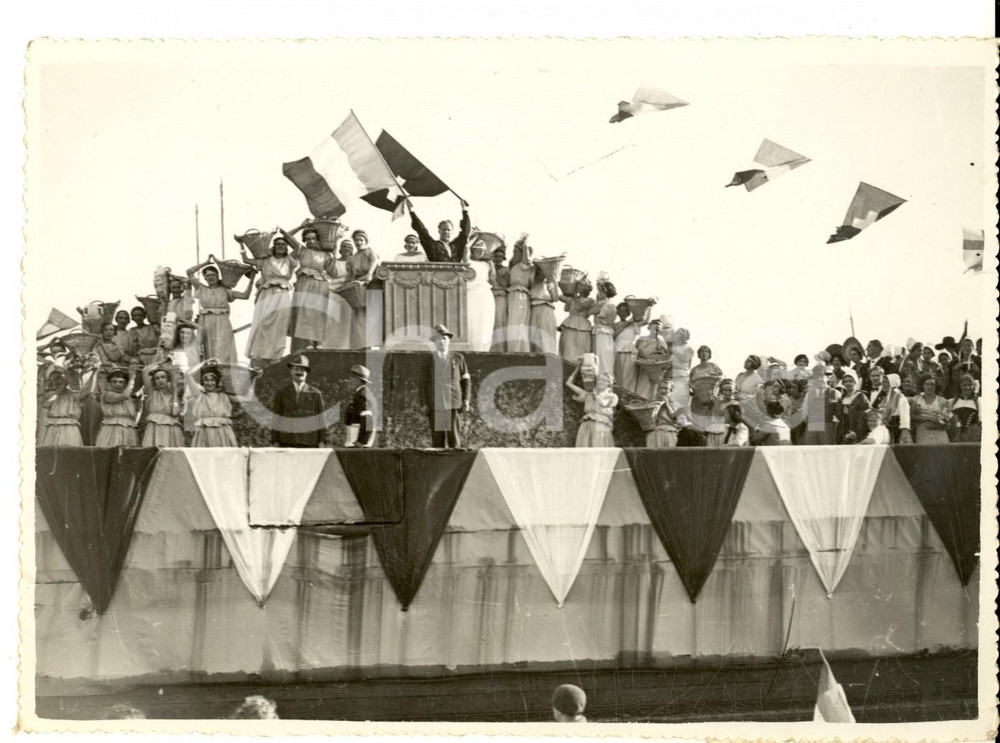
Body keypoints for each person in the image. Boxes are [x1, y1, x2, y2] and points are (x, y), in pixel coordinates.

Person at [241, 231, 298, 367]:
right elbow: (246, 260)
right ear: (273, 246)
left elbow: (298, 247)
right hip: (266, 294)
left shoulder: (289, 259)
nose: (280, 246)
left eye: (283, 244)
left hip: (282, 294)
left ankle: (276, 356)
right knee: (263, 323)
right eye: (277, 244)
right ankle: (259, 354)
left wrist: (285, 232)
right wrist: (241, 243)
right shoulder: (265, 260)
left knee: (279, 325)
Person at [186, 258, 253, 367]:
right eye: (207, 275)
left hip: (222, 321)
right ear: (205, 278)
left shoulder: (225, 290)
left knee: (223, 347)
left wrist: (252, 279)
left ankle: (225, 370)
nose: (210, 277)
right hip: (206, 321)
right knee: (208, 347)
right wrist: (206, 262)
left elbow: (245, 296)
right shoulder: (202, 288)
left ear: (218, 277)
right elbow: (189, 272)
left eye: (213, 275)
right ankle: (211, 371)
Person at [284, 225, 335, 352]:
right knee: (303, 313)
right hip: (304, 284)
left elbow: (333, 270)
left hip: (321, 285)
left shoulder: (326, 254)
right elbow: (286, 236)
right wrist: (302, 226)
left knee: (318, 313)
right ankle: (303, 345)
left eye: (313, 238)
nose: (311, 241)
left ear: (318, 239)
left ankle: (318, 343)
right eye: (307, 239)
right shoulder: (301, 250)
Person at [185, 360, 256, 448]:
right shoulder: (199, 395)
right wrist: (205, 362)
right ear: (203, 382)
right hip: (205, 432)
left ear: (216, 382)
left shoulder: (224, 396)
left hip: (223, 433)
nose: (209, 383)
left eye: (212, 380)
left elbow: (248, 398)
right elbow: (187, 374)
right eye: (206, 380)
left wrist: (255, 379)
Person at [421, 324, 471, 449]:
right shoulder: (428, 360)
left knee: (454, 440)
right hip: (436, 404)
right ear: (435, 342)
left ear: (448, 341)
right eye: (438, 339)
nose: (442, 341)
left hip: (453, 403)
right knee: (438, 442)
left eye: (444, 338)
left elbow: (466, 381)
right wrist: (424, 403)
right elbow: (423, 383)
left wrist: (466, 399)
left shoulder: (458, 358)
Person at [270, 355, 329, 448]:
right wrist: (275, 440)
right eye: (296, 369)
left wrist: (322, 441)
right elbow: (276, 418)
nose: (299, 372)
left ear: (307, 373)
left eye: (302, 370)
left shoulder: (316, 394)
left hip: (309, 441)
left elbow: (321, 419)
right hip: (286, 441)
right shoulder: (282, 393)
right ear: (291, 371)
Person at [38, 366, 93, 446]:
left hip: (69, 427)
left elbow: (89, 391)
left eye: (59, 378)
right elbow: (46, 405)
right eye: (53, 379)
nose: (56, 381)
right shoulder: (51, 395)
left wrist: (94, 373)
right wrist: (57, 393)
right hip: (53, 427)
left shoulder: (73, 395)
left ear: (66, 381)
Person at [345, 229, 381, 349]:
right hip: (358, 287)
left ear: (365, 241)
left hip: (371, 284)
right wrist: (346, 284)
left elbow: (374, 262)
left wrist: (369, 273)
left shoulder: (370, 252)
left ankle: (373, 344)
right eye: (356, 240)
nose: (359, 242)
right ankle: (361, 345)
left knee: (372, 314)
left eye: (361, 240)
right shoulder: (352, 258)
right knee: (359, 316)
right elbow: (350, 274)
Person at [567, 369, 618, 448]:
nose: (601, 382)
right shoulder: (588, 394)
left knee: (599, 447)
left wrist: (596, 395)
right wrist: (578, 367)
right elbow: (569, 383)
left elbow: (604, 404)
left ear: (609, 383)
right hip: (587, 424)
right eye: (600, 379)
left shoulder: (612, 396)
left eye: (604, 380)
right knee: (585, 446)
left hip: (601, 425)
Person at [140, 363, 184, 447]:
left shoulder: (175, 396)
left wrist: (175, 391)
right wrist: (161, 361)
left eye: (163, 377)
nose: (160, 380)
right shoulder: (153, 393)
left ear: (168, 379)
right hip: (154, 429)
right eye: (157, 378)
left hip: (170, 429)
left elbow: (175, 413)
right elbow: (145, 371)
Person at [323, 239, 355, 351]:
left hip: (348, 291)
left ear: (352, 250)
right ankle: (330, 346)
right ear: (340, 249)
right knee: (332, 319)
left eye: (349, 247)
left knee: (347, 319)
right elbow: (330, 272)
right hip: (334, 291)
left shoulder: (354, 262)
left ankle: (346, 347)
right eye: (344, 247)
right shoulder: (335, 261)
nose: (346, 249)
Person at [94, 368, 139, 447]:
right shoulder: (107, 394)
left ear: (125, 384)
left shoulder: (129, 399)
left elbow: (134, 417)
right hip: (112, 429)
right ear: (109, 383)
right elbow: (124, 396)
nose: (117, 384)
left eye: (121, 382)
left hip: (129, 429)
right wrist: (132, 379)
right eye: (114, 381)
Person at [867, 368, 912, 443]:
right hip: (887, 426)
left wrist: (904, 430)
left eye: (885, 382)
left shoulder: (900, 397)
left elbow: (905, 415)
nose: (882, 384)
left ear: (892, 383)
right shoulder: (885, 398)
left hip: (897, 426)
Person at [799, 364, 840, 445]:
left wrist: (832, 426)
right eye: (817, 376)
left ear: (827, 377)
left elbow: (839, 413)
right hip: (812, 425)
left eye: (822, 376)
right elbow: (804, 412)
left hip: (827, 426)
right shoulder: (809, 394)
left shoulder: (835, 393)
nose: (820, 379)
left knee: (827, 450)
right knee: (810, 448)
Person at [467, 239, 497, 352]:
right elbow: (465, 249)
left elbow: (493, 279)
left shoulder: (486, 264)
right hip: (472, 294)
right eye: (478, 250)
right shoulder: (468, 261)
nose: (481, 252)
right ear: (473, 250)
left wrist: (491, 262)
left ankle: (483, 351)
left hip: (485, 295)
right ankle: (472, 350)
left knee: (485, 324)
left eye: (483, 251)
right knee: (472, 322)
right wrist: (474, 236)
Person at [506, 239, 535, 353]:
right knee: (512, 323)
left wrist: (525, 243)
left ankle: (518, 351)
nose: (514, 254)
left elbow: (527, 259)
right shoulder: (514, 266)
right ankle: (514, 349)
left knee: (518, 323)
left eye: (516, 252)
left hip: (520, 296)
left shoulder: (525, 265)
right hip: (512, 295)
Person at [633, 316, 671, 400]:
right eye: (655, 324)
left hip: (654, 368)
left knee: (652, 389)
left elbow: (663, 356)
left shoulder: (661, 342)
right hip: (642, 367)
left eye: (659, 325)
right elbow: (635, 351)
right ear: (649, 326)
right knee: (640, 387)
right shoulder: (641, 339)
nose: (657, 326)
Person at [588, 275, 618, 382]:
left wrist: (596, 301)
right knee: (607, 358)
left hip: (601, 333)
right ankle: (607, 379)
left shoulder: (601, 304)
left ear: (603, 292)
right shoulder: (613, 305)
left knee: (599, 356)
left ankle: (600, 379)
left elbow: (589, 311)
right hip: (609, 334)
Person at [557, 279, 594, 364]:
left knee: (582, 352)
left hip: (583, 328)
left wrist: (573, 296)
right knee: (567, 350)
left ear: (587, 288)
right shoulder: (572, 299)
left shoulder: (590, 300)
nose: (579, 287)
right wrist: (560, 287)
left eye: (581, 285)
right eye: (578, 285)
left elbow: (580, 306)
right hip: (569, 325)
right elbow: (559, 297)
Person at [909, 374, 951, 444]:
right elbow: (912, 416)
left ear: (936, 386)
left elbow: (947, 419)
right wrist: (929, 419)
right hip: (922, 430)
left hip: (939, 430)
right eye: (927, 384)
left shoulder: (943, 401)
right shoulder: (916, 399)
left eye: (932, 384)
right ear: (923, 385)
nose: (929, 386)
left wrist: (937, 426)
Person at [344, 364, 378, 447]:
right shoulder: (364, 393)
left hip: (361, 446)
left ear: (358, 380)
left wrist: (361, 442)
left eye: (351, 378)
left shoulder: (362, 395)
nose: (348, 381)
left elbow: (368, 420)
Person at [528, 270, 558, 355]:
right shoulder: (532, 283)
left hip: (546, 309)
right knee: (534, 335)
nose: (541, 275)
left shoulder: (548, 284)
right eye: (540, 272)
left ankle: (549, 357)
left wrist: (553, 283)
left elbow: (555, 298)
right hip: (534, 308)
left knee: (546, 333)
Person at [835, 368, 870, 444]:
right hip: (843, 428)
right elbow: (838, 415)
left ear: (855, 382)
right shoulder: (842, 398)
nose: (848, 383)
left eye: (850, 381)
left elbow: (867, 413)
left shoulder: (861, 396)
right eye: (846, 381)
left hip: (856, 427)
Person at [612, 304, 641, 394]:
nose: (623, 313)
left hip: (630, 350)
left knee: (629, 376)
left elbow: (646, 320)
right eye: (620, 310)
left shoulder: (634, 324)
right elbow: (614, 335)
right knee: (618, 376)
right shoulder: (614, 324)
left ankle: (629, 395)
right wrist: (627, 323)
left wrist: (649, 307)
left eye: (625, 311)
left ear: (628, 312)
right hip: (618, 350)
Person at [646, 379, 682, 448]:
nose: (663, 390)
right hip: (656, 432)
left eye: (666, 388)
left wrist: (667, 404)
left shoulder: (676, 404)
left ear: (670, 391)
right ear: (658, 390)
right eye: (661, 388)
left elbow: (675, 419)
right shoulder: (653, 403)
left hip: (670, 432)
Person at [948, 373, 981, 442]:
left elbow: (981, 419)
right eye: (964, 385)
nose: (967, 387)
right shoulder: (952, 401)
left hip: (973, 434)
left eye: (970, 385)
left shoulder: (978, 401)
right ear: (960, 386)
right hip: (956, 434)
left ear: (973, 386)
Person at [489, 247, 510, 352]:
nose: (498, 259)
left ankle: (500, 348)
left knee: (500, 321)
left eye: (500, 257)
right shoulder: (488, 268)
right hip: (490, 295)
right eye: (496, 256)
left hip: (500, 296)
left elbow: (504, 283)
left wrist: (495, 273)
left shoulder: (505, 270)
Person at [669, 328, 694, 407]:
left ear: (682, 337)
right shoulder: (671, 348)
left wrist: (673, 350)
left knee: (681, 398)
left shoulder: (688, 349)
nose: (675, 335)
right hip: (670, 375)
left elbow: (685, 358)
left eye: (677, 334)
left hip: (681, 376)